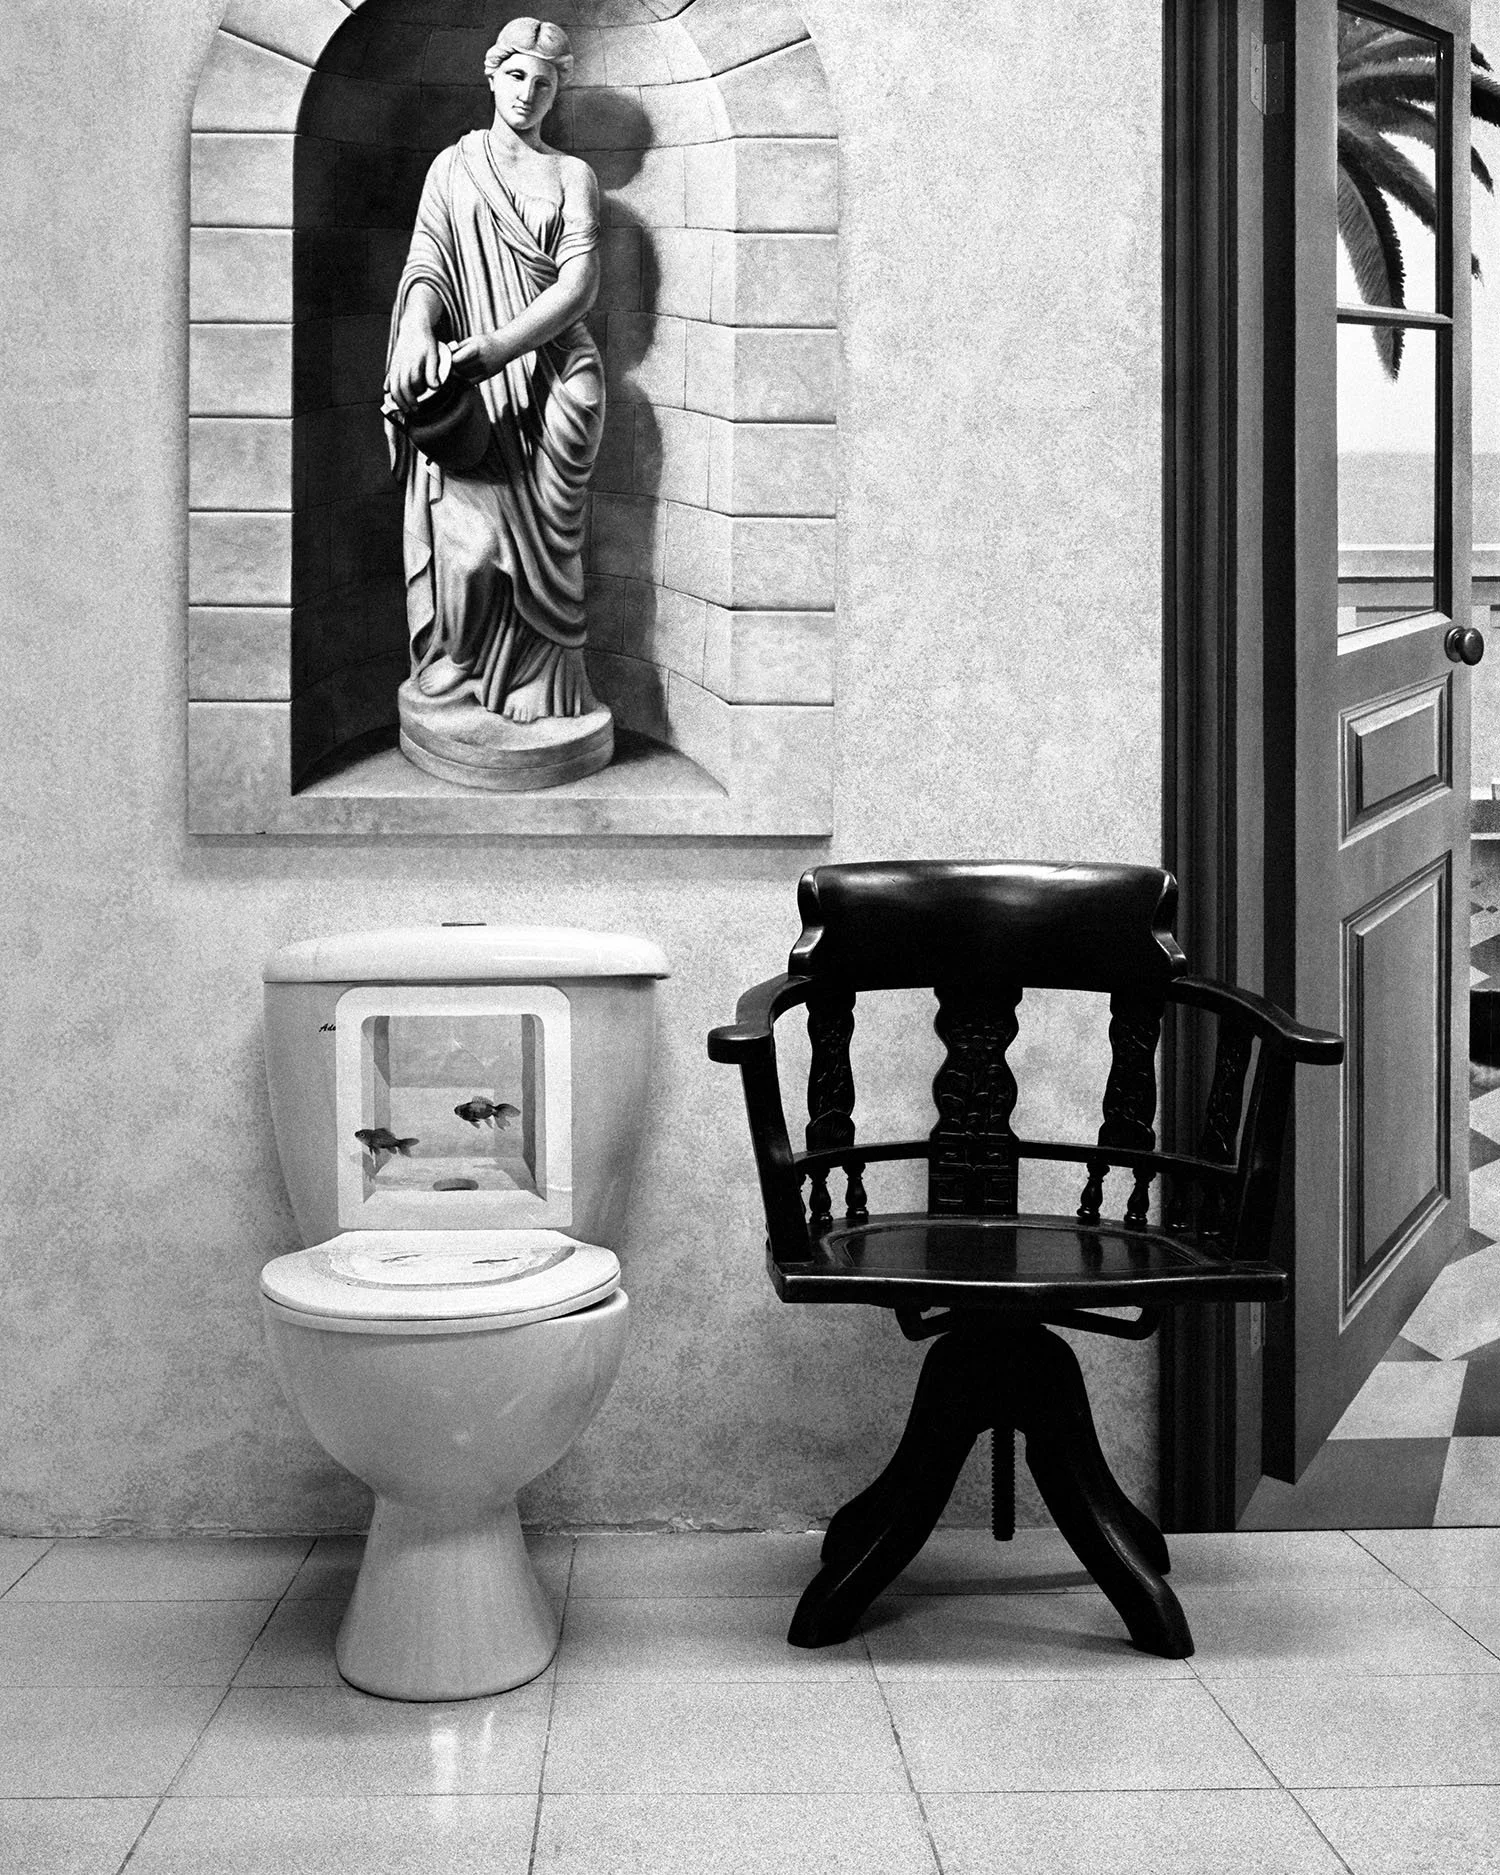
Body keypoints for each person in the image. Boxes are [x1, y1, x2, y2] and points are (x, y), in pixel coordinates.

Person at [385, 18, 604, 728]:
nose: (528, 93)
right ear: (492, 75)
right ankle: (465, 658)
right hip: (471, 383)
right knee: (473, 549)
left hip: (555, 378)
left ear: (556, 93)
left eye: (544, 83)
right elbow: (428, 262)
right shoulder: (454, 167)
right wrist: (416, 330)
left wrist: (500, 349)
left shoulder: (572, 174)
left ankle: (545, 682)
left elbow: (579, 285)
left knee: (554, 551)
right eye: (516, 76)